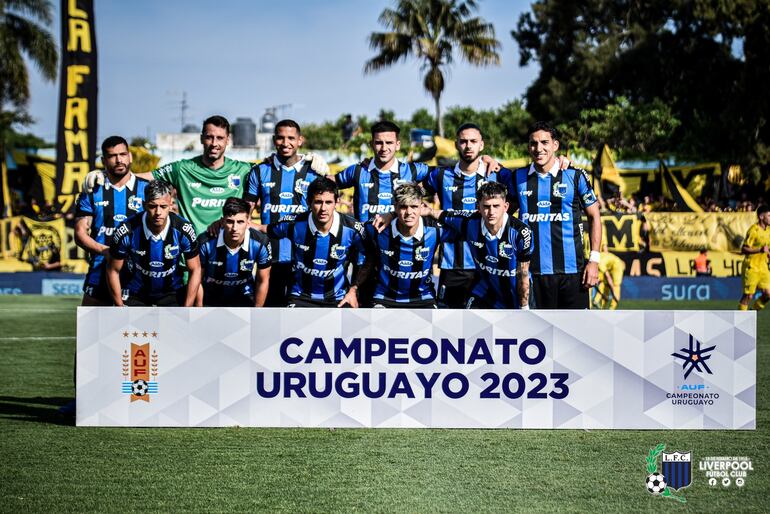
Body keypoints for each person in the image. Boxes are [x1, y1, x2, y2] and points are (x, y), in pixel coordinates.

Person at [84, 115, 330, 235]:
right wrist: (105, 176)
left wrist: (310, 158)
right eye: (209, 137)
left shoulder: (244, 170)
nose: (214, 143)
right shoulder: (181, 168)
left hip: (227, 250)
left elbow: (276, 164)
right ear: (202, 139)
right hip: (189, 253)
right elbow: (140, 177)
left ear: (228, 141)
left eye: (220, 138)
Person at [505, 121, 602, 309]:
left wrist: (594, 261)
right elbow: (503, 215)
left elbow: (594, 217)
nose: (538, 148)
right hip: (533, 273)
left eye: (544, 142)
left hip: (573, 272)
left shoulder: (575, 176)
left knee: (576, 334)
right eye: (533, 143)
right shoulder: (518, 178)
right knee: (537, 333)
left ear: (555, 145)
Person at [334, 120, 430, 306]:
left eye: (388, 143)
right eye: (378, 142)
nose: (383, 148)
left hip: (399, 259)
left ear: (397, 144)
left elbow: (450, 174)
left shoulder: (412, 170)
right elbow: (326, 185)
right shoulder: (358, 171)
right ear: (371, 144)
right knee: (361, 317)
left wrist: (486, 161)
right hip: (363, 258)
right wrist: (307, 161)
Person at [242, 119, 325, 306]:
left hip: (304, 258)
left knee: (303, 314)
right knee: (271, 312)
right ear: (274, 140)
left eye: (291, 138)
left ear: (300, 141)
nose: (285, 143)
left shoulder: (314, 172)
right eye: (280, 138)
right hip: (271, 257)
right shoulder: (260, 171)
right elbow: (246, 211)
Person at [423, 123, 506, 308]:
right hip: (452, 266)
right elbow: (412, 194)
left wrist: (564, 162)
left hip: (487, 265)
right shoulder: (441, 175)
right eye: (463, 141)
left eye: (473, 141)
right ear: (456, 144)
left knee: (486, 326)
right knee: (448, 326)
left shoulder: (496, 175)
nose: (468, 146)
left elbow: (520, 195)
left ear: (481, 145)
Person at [261, 177, 368, 307]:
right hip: (299, 296)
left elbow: (372, 255)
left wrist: (353, 290)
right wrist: (247, 225)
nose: (323, 208)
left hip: (338, 298)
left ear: (337, 202)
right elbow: (267, 229)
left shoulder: (352, 229)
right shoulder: (294, 224)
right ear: (309, 202)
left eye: (328, 202)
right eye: (318, 202)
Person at [424, 182, 533, 309]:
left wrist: (524, 307)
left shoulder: (522, 233)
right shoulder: (469, 222)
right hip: (485, 290)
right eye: (486, 206)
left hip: (516, 291)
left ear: (506, 206)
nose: (491, 212)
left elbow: (523, 275)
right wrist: (426, 210)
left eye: (496, 206)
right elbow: (444, 215)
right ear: (478, 208)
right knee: (470, 320)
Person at [74, 136, 149, 305]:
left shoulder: (147, 189)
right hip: (100, 270)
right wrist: (106, 251)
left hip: (139, 274)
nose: (119, 160)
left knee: (141, 330)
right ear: (103, 160)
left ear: (129, 156)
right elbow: (80, 233)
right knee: (91, 330)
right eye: (112, 156)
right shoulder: (92, 191)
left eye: (122, 154)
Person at [107, 181, 201, 306]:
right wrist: (119, 307)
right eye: (152, 206)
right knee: (128, 325)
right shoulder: (126, 230)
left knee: (176, 324)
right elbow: (113, 270)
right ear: (144, 205)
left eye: (163, 206)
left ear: (171, 205)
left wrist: (186, 309)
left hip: (172, 292)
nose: (158, 212)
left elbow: (195, 269)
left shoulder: (184, 230)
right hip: (135, 292)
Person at [364, 183, 451, 308]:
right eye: (403, 207)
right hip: (385, 298)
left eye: (414, 207)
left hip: (424, 298)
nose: (409, 212)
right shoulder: (377, 227)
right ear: (395, 207)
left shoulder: (435, 229)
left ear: (422, 207)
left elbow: (470, 224)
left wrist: (433, 212)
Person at [197, 197, 271, 307]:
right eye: (230, 222)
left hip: (244, 297)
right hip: (211, 299)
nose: (235, 228)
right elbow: (196, 279)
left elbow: (263, 280)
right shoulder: (205, 242)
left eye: (240, 222)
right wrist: (199, 309)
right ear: (222, 221)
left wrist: (257, 312)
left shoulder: (261, 243)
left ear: (248, 222)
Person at [738, 205, 770, 311]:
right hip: (751, 267)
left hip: (763, 267)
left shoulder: (769, 231)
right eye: (769, 215)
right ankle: (740, 320)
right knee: (748, 296)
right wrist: (760, 250)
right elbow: (744, 249)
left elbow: (767, 248)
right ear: (761, 217)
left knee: (768, 294)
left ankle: (752, 313)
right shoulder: (753, 230)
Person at [592, 243, 625, 310]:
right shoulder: (594, 258)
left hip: (617, 265)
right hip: (609, 266)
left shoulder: (600, 264)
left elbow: (608, 278)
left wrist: (613, 291)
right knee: (603, 283)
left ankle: (612, 308)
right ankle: (600, 304)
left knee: (615, 286)